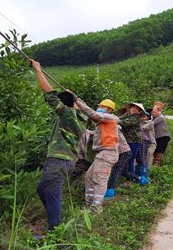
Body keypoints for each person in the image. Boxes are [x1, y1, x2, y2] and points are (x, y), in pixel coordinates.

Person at [31, 60, 86, 231]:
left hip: (58, 160)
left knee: (52, 193)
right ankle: (54, 220)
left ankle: (55, 231)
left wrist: (38, 70)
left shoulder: (67, 115)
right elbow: (75, 103)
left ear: (65, 105)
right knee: (42, 189)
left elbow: (49, 94)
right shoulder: (81, 116)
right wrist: (72, 95)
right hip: (66, 161)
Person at [73, 96, 119, 213]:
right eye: (99, 106)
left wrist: (76, 100)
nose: (100, 108)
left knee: (99, 180)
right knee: (89, 177)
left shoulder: (110, 118)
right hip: (102, 154)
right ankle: (89, 205)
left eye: (103, 107)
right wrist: (77, 98)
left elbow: (92, 114)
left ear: (109, 109)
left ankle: (96, 207)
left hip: (107, 154)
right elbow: (94, 118)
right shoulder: (102, 122)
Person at [119, 103, 145, 173]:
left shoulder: (136, 117)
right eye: (133, 107)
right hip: (128, 140)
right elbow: (120, 118)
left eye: (136, 109)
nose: (134, 109)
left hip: (134, 141)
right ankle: (126, 174)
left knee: (130, 159)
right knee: (125, 158)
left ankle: (129, 180)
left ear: (139, 111)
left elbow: (124, 122)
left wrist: (112, 120)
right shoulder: (129, 115)